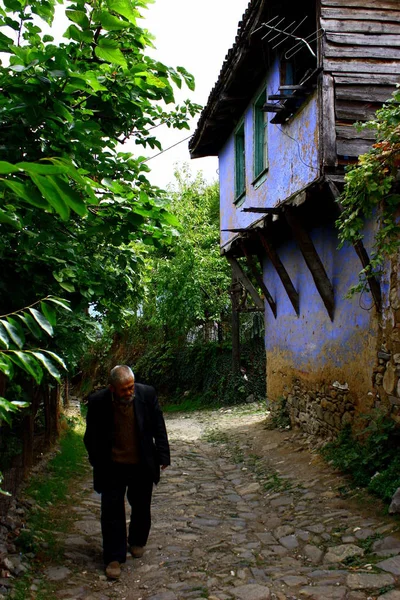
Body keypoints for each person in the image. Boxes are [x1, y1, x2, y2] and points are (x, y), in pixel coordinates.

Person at [83, 365, 170, 580]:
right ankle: (114, 557)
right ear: (113, 389)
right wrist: (97, 461)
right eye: (124, 390)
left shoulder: (146, 395)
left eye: (131, 387)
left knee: (141, 505)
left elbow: (159, 425)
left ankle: (137, 541)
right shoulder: (97, 402)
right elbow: (90, 437)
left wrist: (163, 455)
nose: (129, 392)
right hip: (112, 465)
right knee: (111, 511)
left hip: (141, 463)